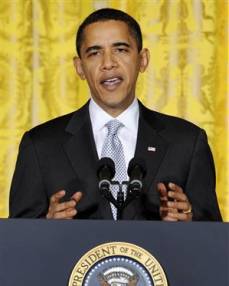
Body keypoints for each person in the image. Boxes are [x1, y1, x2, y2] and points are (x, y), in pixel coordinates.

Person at [9, 8, 222, 221]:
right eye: (94, 53)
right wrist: (46, 228)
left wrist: (190, 219)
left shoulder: (187, 142)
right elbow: (17, 243)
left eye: (120, 50)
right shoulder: (40, 145)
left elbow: (215, 242)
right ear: (80, 67)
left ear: (143, 60)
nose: (108, 63)